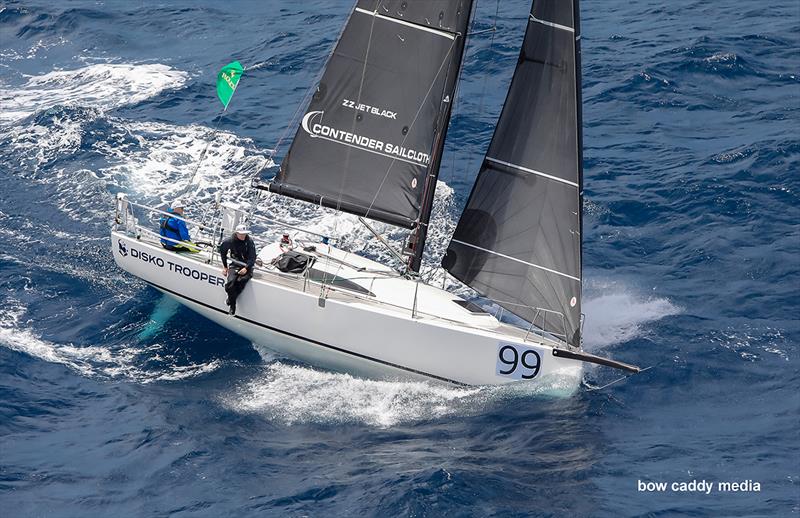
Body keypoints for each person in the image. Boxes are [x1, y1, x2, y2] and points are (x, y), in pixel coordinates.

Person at [219, 224, 257, 315]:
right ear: (236, 233)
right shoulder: (229, 241)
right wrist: (225, 266)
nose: (243, 236)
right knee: (230, 284)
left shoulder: (249, 242)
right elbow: (223, 252)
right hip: (235, 265)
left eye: (245, 234)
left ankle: (231, 301)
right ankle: (233, 304)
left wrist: (246, 268)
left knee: (241, 280)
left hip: (247, 266)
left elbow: (252, 257)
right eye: (241, 234)